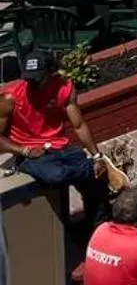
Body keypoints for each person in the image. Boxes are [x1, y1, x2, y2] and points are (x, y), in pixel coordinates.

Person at [1, 51, 113, 235]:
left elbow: (79, 125)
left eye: (38, 78)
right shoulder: (10, 98)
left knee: (96, 181)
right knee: (57, 176)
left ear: (50, 72)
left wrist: (97, 156)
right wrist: (24, 150)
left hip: (60, 148)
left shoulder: (64, 88)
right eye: (29, 79)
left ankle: (96, 231)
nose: (32, 83)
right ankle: (87, 169)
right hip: (31, 154)